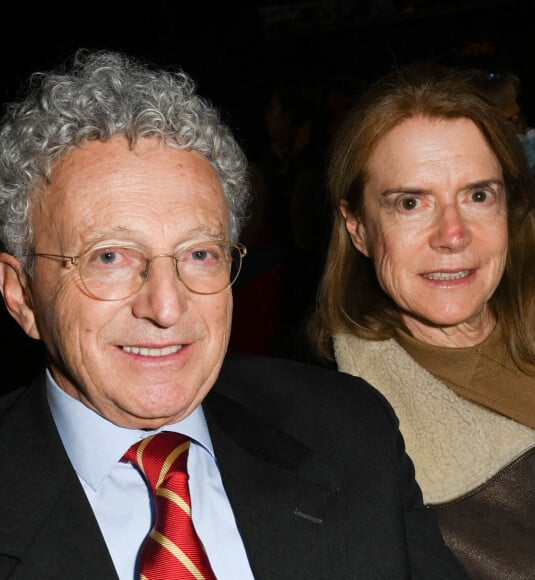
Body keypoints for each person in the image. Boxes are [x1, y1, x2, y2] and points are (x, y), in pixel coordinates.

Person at [0, 49, 467, 580]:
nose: (167, 307)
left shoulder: (348, 430)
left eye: (200, 254)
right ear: (21, 294)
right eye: (109, 257)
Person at [308, 61, 535, 578]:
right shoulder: (354, 437)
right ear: (359, 228)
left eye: (478, 196)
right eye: (411, 202)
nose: (452, 234)